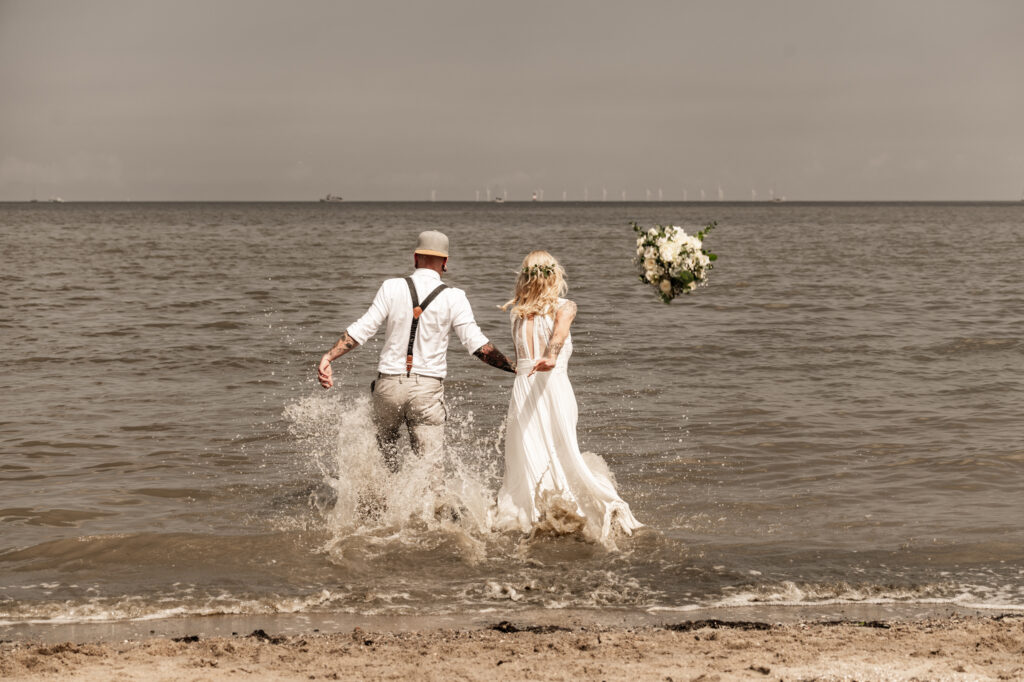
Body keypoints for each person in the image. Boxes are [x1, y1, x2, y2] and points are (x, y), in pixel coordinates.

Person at [317, 230, 515, 472]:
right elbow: (478, 347)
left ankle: (380, 504)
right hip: (426, 391)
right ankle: (427, 509)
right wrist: (515, 367)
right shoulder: (455, 297)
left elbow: (363, 329)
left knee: (383, 463)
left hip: (388, 387)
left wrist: (329, 357)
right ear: (445, 262)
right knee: (429, 470)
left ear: (415, 258)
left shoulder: (391, 287)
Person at [495, 250, 642, 543]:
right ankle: (572, 512)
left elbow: (551, 342)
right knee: (558, 453)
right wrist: (549, 358)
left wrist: (547, 357)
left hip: (526, 391)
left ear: (524, 277)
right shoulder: (565, 306)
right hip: (551, 387)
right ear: (555, 276)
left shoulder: (518, 313)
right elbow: (558, 337)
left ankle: (537, 517)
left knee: (530, 455)